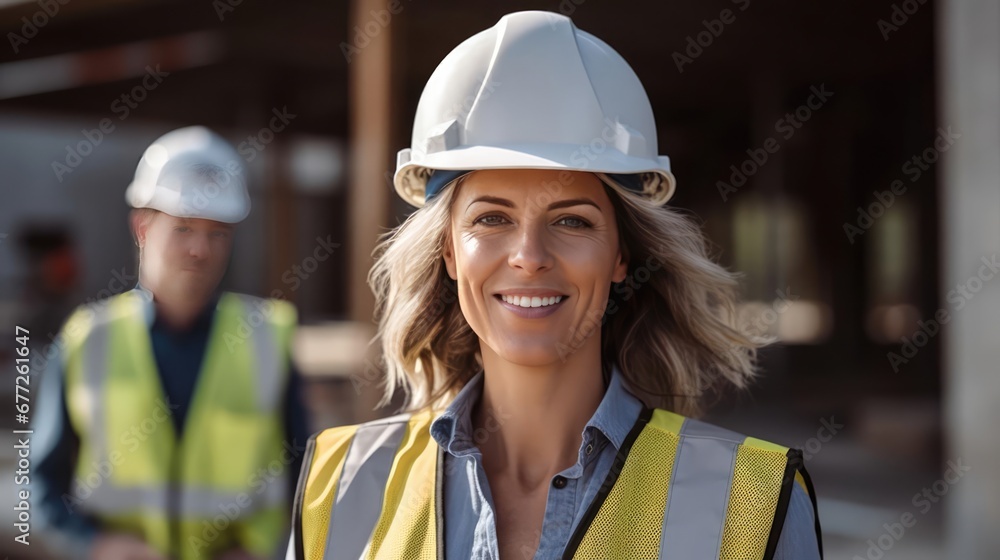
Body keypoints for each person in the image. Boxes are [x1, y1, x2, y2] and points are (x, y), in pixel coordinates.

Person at [288, 11, 822, 560]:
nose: (529, 257)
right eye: (491, 219)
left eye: (573, 221)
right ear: (448, 250)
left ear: (622, 255)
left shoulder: (751, 505)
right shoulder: (341, 487)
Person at [34, 126, 311, 560]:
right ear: (142, 227)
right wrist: (96, 545)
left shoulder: (267, 339)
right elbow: (40, 489)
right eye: (183, 228)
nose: (201, 249)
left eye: (217, 232)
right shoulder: (87, 340)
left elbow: (307, 480)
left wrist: (263, 549)